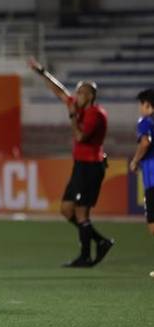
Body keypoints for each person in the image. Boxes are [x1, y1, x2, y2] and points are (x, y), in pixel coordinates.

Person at [28, 58, 114, 267]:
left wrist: (73, 116)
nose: (77, 96)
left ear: (91, 96)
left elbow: (81, 136)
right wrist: (42, 73)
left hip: (91, 166)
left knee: (81, 212)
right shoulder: (79, 107)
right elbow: (60, 92)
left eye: (82, 93)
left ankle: (85, 256)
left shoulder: (96, 114)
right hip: (80, 166)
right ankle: (100, 241)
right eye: (77, 92)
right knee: (67, 209)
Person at [129, 88, 154, 278]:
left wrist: (135, 160)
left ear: (148, 105)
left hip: (152, 177)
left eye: (142, 104)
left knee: (152, 222)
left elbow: (145, 143)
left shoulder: (145, 122)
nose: (140, 108)